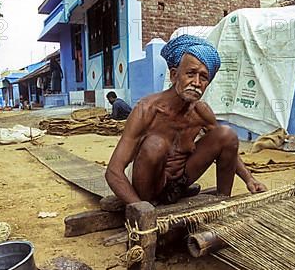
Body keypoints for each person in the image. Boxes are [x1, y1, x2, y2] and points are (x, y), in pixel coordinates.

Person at [105, 35, 267, 205]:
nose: (196, 82)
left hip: (180, 184)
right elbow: (113, 171)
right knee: (156, 145)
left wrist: (250, 179)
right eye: (190, 73)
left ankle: (222, 201)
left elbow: (229, 146)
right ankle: (151, 203)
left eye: (203, 77)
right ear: (174, 75)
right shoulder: (146, 110)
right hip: (148, 191)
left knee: (227, 134)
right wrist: (138, 207)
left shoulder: (200, 112)